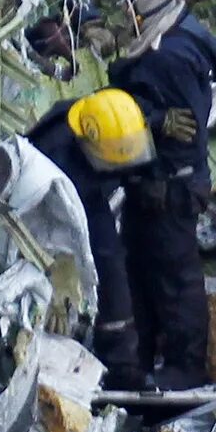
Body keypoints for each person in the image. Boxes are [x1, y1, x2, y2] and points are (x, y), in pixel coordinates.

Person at [104, 0, 216, 391]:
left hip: (168, 191)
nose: (126, 8)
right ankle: (144, 360)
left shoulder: (173, 55)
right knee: (141, 276)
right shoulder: (166, 42)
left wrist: (149, 120)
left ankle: (184, 367)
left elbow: (182, 132)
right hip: (151, 189)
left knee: (176, 281)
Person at [28, 86, 156, 389]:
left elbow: (128, 146)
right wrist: (55, 279)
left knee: (115, 260)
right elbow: (35, 227)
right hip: (57, 206)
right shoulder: (51, 155)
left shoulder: (116, 118)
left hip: (91, 186)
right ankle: (111, 363)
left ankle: (125, 355)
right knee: (105, 260)